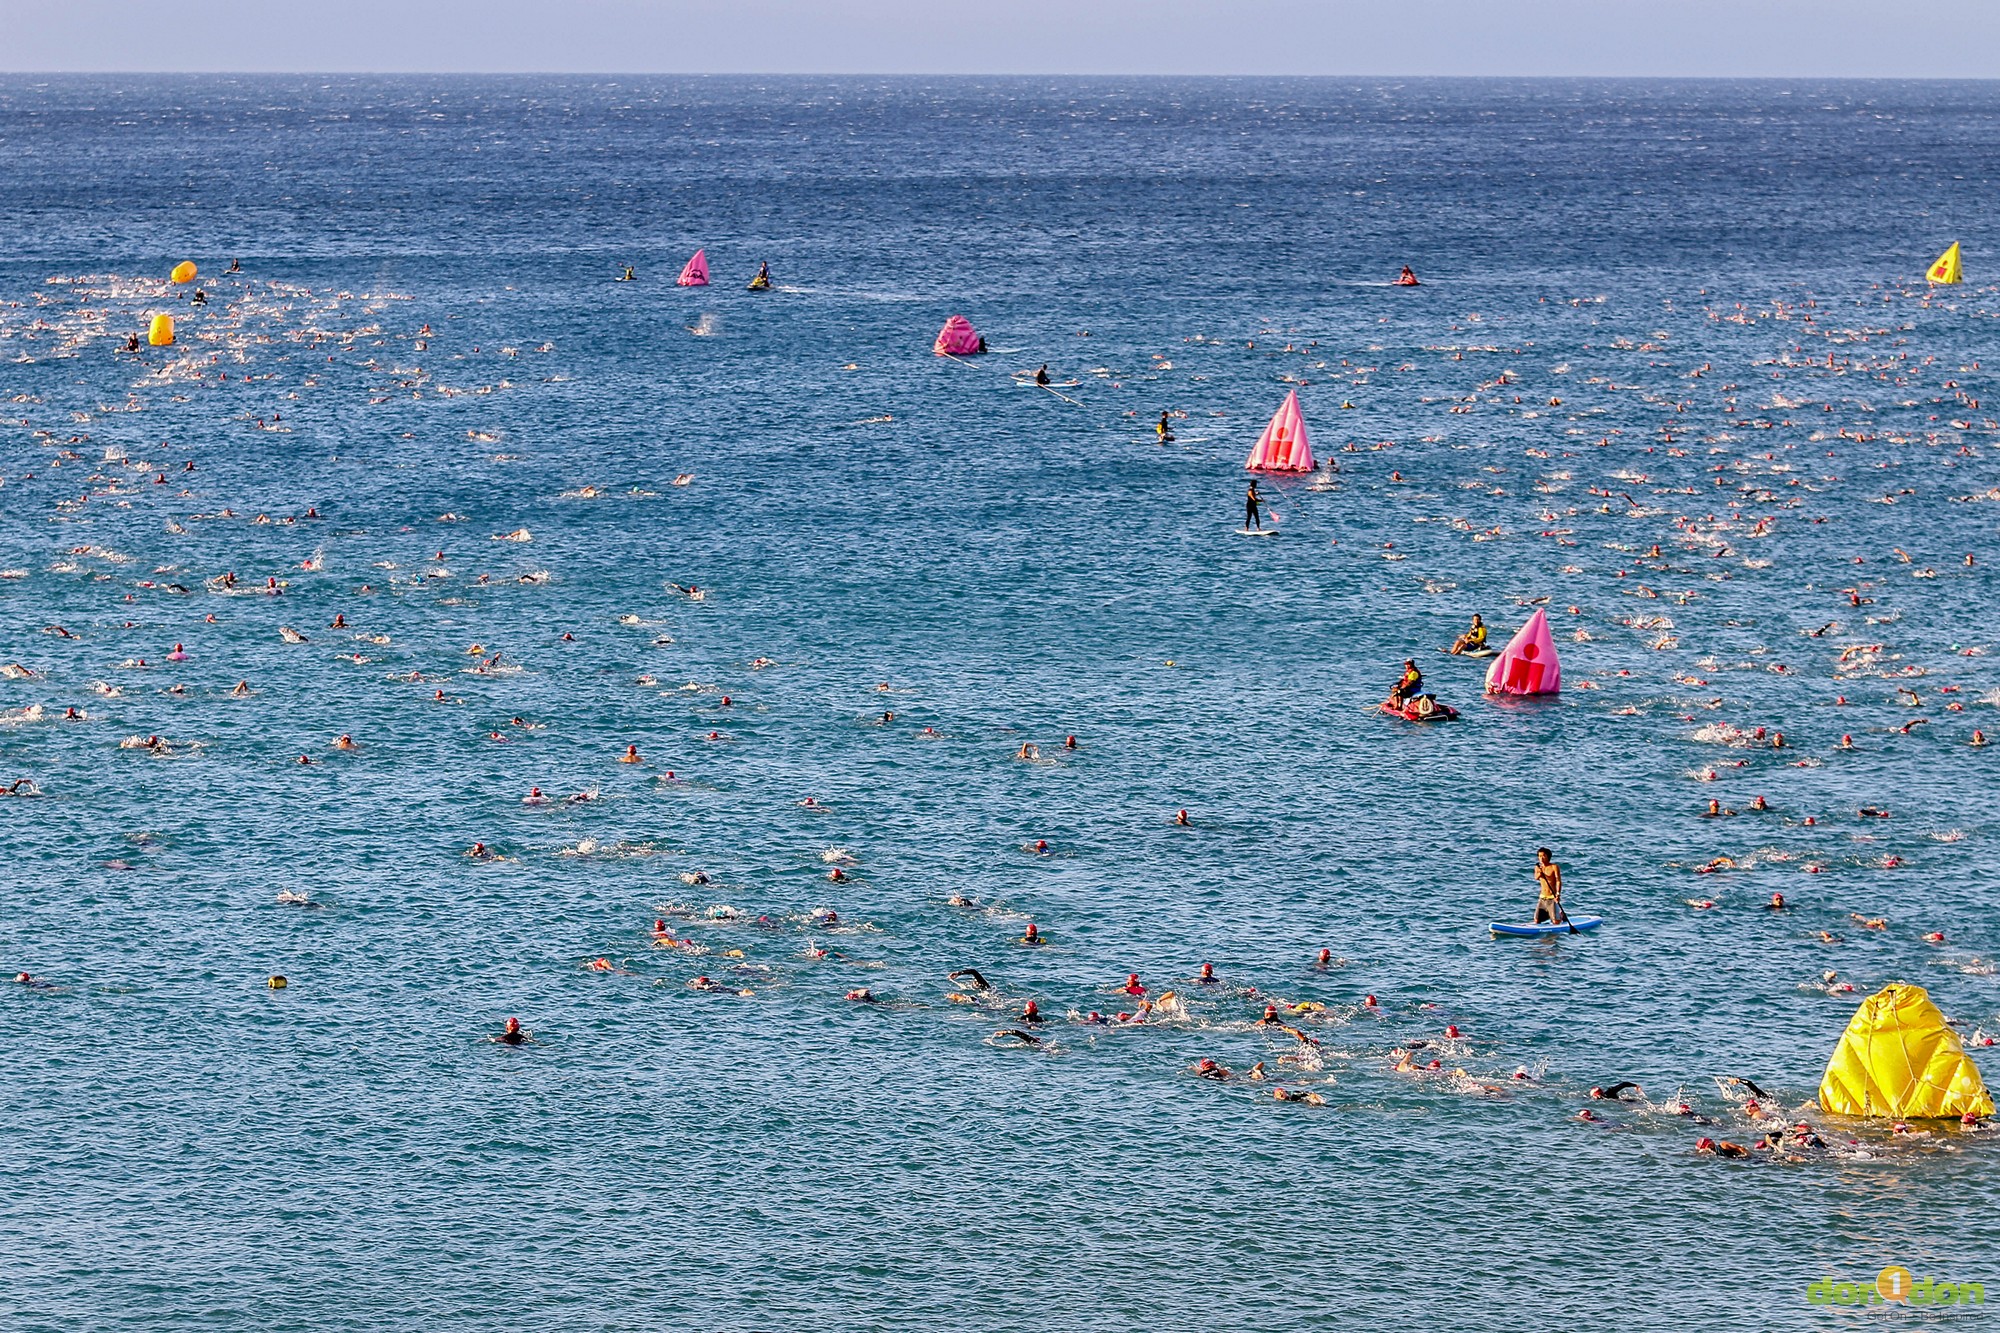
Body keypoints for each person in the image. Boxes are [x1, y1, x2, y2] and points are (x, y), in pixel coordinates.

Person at [1533, 847, 1564, 924]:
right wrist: (1540, 873)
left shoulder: (1554, 867)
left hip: (1552, 897)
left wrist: (1558, 894)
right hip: (1542, 897)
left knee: (1555, 922)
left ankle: (1561, 916)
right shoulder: (1538, 867)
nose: (1541, 858)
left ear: (1548, 856)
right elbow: (1536, 877)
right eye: (1539, 856)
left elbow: (1558, 881)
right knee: (1537, 920)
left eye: (1543, 856)